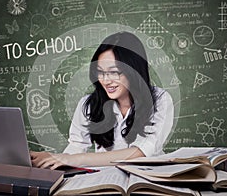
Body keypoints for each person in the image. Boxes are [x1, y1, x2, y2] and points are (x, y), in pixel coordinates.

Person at [30, 31, 174, 170]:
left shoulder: (161, 100)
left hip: (149, 178)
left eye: (114, 72)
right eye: (100, 71)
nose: (105, 80)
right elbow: (77, 146)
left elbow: (140, 153)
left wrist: (77, 159)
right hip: (106, 180)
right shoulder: (89, 105)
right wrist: (55, 158)